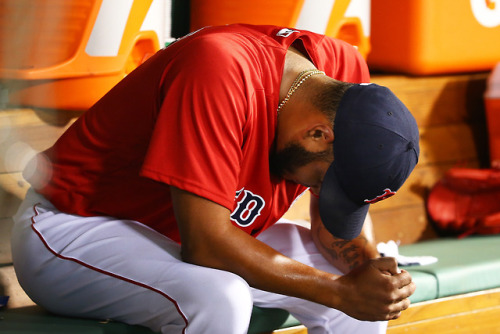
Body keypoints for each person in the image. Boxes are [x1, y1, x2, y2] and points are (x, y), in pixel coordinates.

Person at [11, 24, 419, 334]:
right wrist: (339, 292)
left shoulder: (344, 78)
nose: (316, 192)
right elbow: (206, 246)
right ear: (316, 134)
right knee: (219, 296)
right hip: (73, 230)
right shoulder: (221, 68)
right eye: (321, 180)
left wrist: (370, 277)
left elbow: (334, 239)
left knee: (358, 288)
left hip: (181, 237)